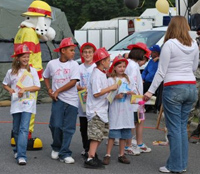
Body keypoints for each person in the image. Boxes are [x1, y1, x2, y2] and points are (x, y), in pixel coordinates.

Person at [144, 16, 199, 173]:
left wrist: (150, 91)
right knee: (182, 128)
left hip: (174, 87)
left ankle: (174, 166)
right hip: (190, 87)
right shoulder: (194, 44)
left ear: (171, 27)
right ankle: (182, 164)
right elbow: (194, 67)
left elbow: (161, 72)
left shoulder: (169, 45)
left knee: (174, 129)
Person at [43, 38, 80, 164]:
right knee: (55, 125)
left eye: (74, 50)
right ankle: (56, 147)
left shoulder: (74, 64)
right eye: (71, 50)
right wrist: (49, 89)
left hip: (72, 101)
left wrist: (57, 91)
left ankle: (65, 153)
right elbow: (45, 76)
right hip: (57, 100)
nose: (73, 53)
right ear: (62, 51)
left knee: (69, 128)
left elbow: (73, 82)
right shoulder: (52, 64)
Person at [2, 44, 41, 165]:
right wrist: (10, 90)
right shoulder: (11, 72)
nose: (26, 59)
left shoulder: (32, 70)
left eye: (27, 56)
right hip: (16, 103)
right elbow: (5, 84)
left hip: (28, 104)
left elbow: (37, 86)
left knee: (24, 129)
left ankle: (21, 155)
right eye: (23, 56)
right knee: (16, 130)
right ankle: (18, 150)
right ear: (17, 58)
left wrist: (25, 89)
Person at [84, 47, 118, 169]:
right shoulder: (97, 74)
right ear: (102, 61)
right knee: (95, 135)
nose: (109, 62)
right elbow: (96, 93)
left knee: (100, 135)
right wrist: (111, 88)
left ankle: (91, 155)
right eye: (108, 60)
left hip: (101, 110)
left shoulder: (101, 73)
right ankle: (90, 157)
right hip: (96, 110)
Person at [102, 56, 135, 165]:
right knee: (112, 134)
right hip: (115, 111)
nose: (122, 68)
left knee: (124, 134)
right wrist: (116, 96)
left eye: (124, 66)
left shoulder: (128, 79)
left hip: (126, 111)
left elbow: (134, 92)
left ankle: (121, 154)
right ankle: (108, 154)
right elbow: (107, 95)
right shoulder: (111, 80)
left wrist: (131, 93)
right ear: (114, 67)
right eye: (119, 66)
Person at [124, 42, 151, 156]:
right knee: (133, 122)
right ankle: (128, 145)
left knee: (139, 120)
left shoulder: (130, 64)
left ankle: (137, 144)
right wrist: (141, 96)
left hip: (137, 100)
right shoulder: (133, 66)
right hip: (134, 100)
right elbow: (132, 83)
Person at [77, 42, 97, 158]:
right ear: (82, 54)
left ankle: (92, 149)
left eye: (90, 52)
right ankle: (86, 148)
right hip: (83, 101)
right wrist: (81, 88)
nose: (88, 54)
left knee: (93, 127)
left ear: (94, 54)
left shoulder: (96, 68)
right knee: (83, 127)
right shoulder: (79, 68)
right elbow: (75, 84)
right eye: (85, 52)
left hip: (94, 103)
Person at [142, 45, 161, 112]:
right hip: (147, 81)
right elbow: (145, 71)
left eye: (152, 52)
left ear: (156, 53)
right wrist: (142, 78)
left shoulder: (160, 62)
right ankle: (145, 106)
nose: (151, 53)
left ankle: (153, 107)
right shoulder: (151, 61)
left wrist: (159, 58)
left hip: (154, 82)